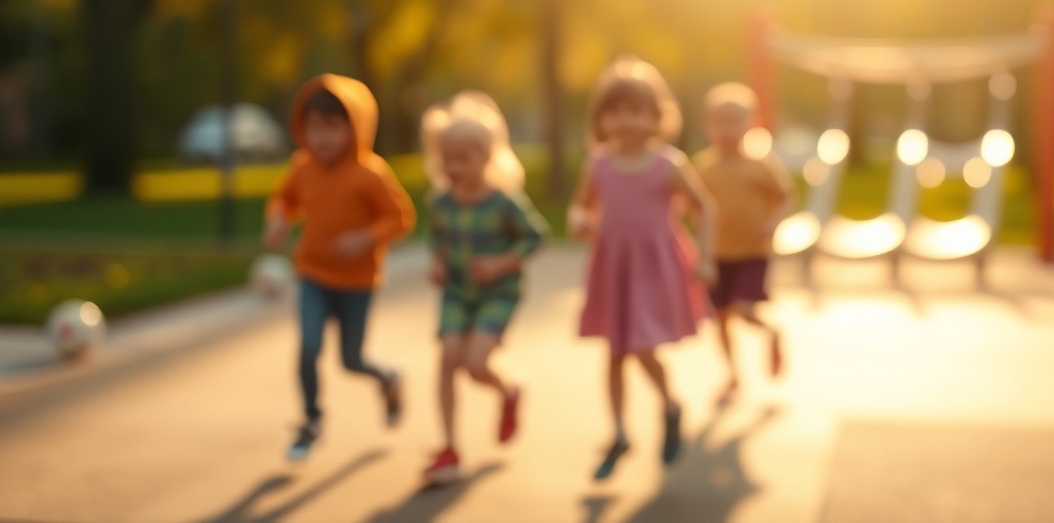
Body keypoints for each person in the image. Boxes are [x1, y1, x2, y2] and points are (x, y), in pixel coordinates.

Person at [570, 55, 717, 480]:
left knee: (640, 346)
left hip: (654, 267)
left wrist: (705, 257)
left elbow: (704, 207)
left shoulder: (667, 164)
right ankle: (618, 431)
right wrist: (580, 219)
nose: (625, 120)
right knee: (615, 351)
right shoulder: (597, 163)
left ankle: (669, 405)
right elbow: (581, 207)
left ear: (656, 116)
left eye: (635, 110)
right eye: (614, 111)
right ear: (601, 118)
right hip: (612, 265)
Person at [264, 74, 416, 462]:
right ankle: (311, 420)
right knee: (309, 346)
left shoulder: (371, 173)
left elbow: (400, 217)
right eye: (314, 126)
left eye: (333, 126)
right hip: (313, 274)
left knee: (351, 359)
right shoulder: (302, 167)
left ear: (356, 127)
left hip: (357, 281)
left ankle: (389, 378)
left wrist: (366, 238)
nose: (322, 137)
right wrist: (279, 218)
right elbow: (285, 197)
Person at [418, 91, 548, 485]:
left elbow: (536, 237)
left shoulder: (503, 203)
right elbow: (437, 240)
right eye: (447, 158)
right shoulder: (441, 203)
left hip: (498, 293)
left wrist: (500, 263)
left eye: (463, 158)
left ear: (486, 158)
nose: (454, 167)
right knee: (447, 361)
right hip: (458, 294)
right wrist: (438, 264)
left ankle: (508, 390)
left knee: (475, 365)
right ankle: (449, 447)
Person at [694, 82, 794, 404]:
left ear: (750, 123)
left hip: (752, 252)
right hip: (717, 254)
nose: (727, 129)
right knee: (720, 320)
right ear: (708, 125)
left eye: (734, 120)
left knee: (745, 310)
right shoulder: (703, 167)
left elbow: (785, 196)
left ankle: (772, 333)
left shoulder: (760, 165)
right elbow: (690, 205)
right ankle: (732, 375)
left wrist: (773, 222)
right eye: (720, 120)